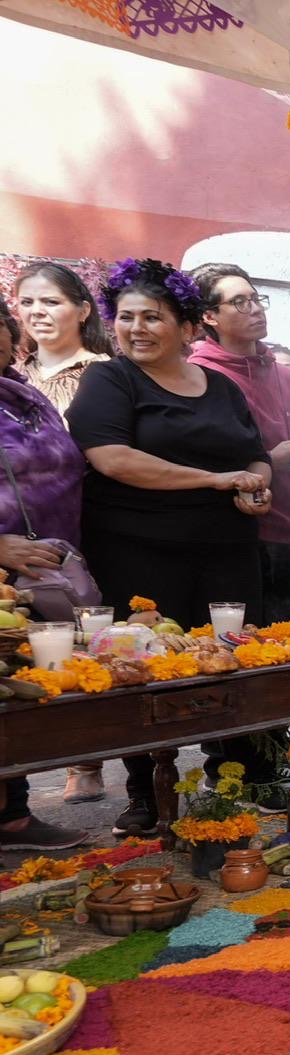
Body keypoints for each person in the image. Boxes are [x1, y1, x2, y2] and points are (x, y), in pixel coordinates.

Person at [67, 258, 271, 837]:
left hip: (227, 551)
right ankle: (145, 792)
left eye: (151, 317)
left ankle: (236, 779)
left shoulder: (223, 388)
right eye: (125, 317)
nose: (135, 328)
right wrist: (214, 480)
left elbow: (252, 454)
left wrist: (258, 484)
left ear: (186, 329)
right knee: (144, 664)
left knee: (232, 659)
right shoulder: (111, 380)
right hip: (139, 552)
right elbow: (112, 459)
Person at [0, 295, 88, 847]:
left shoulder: (24, 396)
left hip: (44, 567)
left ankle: (12, 816)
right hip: (7, 562)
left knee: (22, 688)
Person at [188, 264, 290, 625]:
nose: (255, 308)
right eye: (239, 302)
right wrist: (270, 461)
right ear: (209, 316)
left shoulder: (288, 377)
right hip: (239, 536)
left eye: (255, 298)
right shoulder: (199, 376)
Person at [13, 262, 109, 420]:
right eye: (26, 302)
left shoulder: (108, 375)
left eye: (51, 302)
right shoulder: (12, 372)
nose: (36, 311)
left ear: (83, 311)